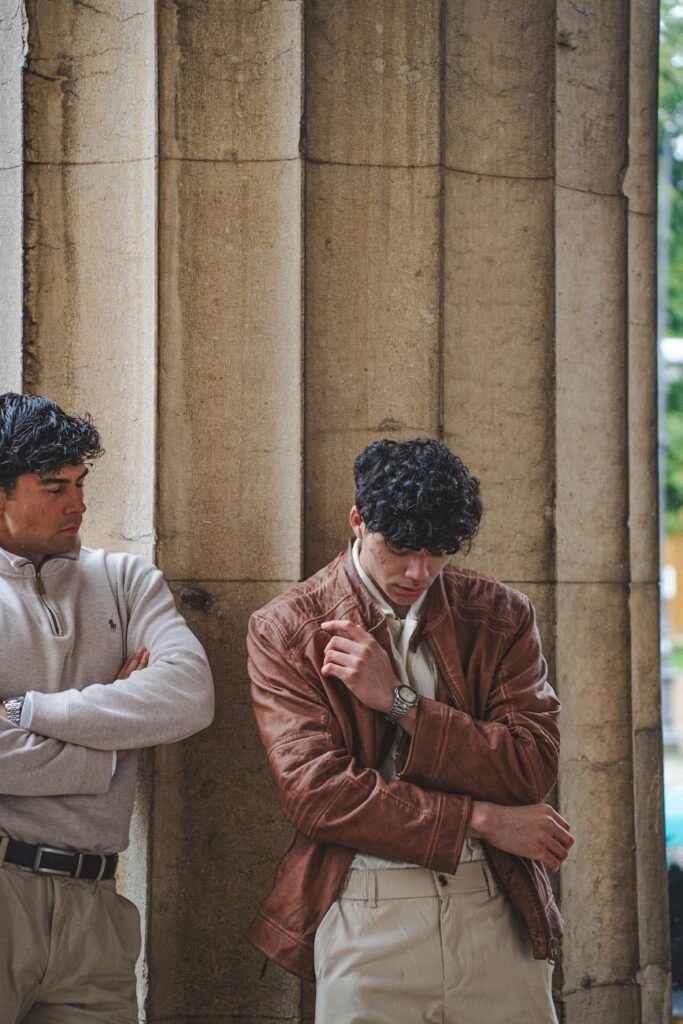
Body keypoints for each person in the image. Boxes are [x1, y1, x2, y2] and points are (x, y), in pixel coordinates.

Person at [246, 438, 573, 1024]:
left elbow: (533, 765)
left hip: (493, 905)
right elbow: (316, 794)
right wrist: (484, 819)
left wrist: (401, 703)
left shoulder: (499, 615)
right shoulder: (288, 628)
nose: (419, 571)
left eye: (439, 551)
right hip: (364, 904)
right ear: (357, 520)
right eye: (399, 549)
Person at [0, 392, 214, 1024]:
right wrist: (114, 745)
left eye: (80, 483)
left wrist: (30, 710)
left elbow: (189, 696)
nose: (79, 504)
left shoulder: (127, 579)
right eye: (54, 487)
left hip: (97, 905)